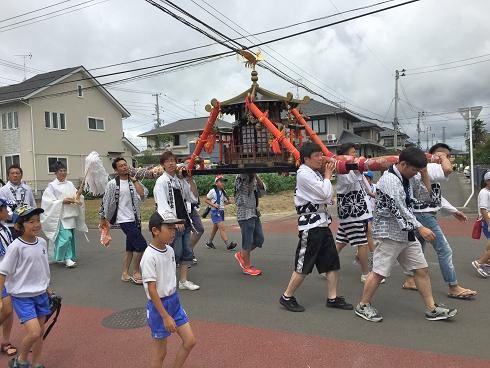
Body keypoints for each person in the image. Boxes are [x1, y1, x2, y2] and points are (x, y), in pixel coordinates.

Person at [355, 146, 458, 322]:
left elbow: (426, 197)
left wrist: (424, 173)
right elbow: (399, 209)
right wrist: (421, 228)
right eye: (415, 169)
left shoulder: (412, 176)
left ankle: (431, 308)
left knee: (421, 269)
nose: (416, 173)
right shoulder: (389, 180)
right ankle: (363, 305)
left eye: (419, 170)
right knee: (379, 272)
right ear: (402, 163)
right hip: (389, 233)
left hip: (406, 232)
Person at [279, 142, 353, 312]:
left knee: (332, 263)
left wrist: (326, 173)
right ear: (306, 159)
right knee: (304, 264)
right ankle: (287, 296)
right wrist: (327, 175)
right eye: (317, 156)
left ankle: (332, 298)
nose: (321, 158)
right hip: (311, 226)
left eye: (321, 154)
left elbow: (326, 197)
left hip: (321, 223)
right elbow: (325, 193)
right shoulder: (304, 174)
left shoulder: (313, 172)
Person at [402, 143, 477, 299]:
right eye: (447, 156)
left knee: (418, 248)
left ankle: (410, 279)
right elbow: (448, 169)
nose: (448, 159)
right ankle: (453, 286)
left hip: (419, 214)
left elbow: (435, 197)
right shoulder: (430, 166)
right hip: (424, 216)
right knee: (444, 250)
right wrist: (442, 156)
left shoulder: (425, 169)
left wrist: (454, 210)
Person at [141, 212, 196, 368]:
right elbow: (152, 290)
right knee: (160, 353)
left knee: (190, 341)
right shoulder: (149, 256)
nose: (174, 231)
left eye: (174, 228)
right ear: (155, 230)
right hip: (159, 307)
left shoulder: (170, 251)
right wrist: (165, 316)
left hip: (174, 302)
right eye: (169, 228)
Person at [0, 205, 51, 368]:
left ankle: (36, 363)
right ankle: (21, 360)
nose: (36, 224)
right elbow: (3, 272)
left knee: (40, 333)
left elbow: (42, 268)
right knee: (34, 332)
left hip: (41, 294)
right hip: (23, 297)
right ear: (19, 226)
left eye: (38, 220)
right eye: (30, 221)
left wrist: (47, 287)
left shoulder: (42, 242)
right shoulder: (16, 247)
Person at [154, 152, 199, 291]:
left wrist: (189, 179)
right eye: (167, 161)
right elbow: (162, 206)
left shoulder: (179, 181)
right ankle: (167, 281)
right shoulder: (161, 182)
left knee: (187, 252)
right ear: (163, 165)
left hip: (184, 221)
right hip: (173, 224)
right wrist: (173, 222)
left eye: (173, 160)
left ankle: (183, 280)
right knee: (174, 253)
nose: (171, 163)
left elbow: (192, 198)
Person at [99, 157, 147, 284]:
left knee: (130, 248)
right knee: (141, 245)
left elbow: (143, 195)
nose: (124, 167)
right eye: (121, 166)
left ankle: (125, 273)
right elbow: (105, 201)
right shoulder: (112, 184)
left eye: (125, 165)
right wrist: (102, 218)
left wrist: (135, 181)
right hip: (124, 219)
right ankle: (136, 272)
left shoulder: (133, 181)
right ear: (116, 169)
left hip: (136, 218)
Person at [335, 143, 372, 283]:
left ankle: (327, 267)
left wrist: (371, 193)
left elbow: (362, 180)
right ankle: (365, 274)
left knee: (340, 242)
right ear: (344, 155)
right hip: (352, 212)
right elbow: (351, 179)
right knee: (362, 242)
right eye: (352, 153)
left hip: (355, 210)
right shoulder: (341, 168)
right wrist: (359, 168)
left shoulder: (353, 167)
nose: (355, 155)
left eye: (356, 152)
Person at [41, 161, 88, 267]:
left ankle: (69, 257)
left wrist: (78, 195)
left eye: (64, 170)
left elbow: (76, 197)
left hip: (70, 214)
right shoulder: (52, 186)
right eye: (60, 171)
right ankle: (66, 258)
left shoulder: (70, 184)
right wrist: (62, 201)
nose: (63, 173)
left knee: (70, 238)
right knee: (65, 237)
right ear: (56, 173)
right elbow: (48, 202)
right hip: (60, 216)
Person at [233, 173, 265, 276]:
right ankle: (247, 267)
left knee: (259, 239)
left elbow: (262, 192)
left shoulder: (254, 176)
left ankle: (241, 255)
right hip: (244, 212)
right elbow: (243, 188)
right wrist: (251, 175)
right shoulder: (241, 176)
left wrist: (256, 176)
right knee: (248, 241)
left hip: (254, 211)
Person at [0, 164, 36, 239]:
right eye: (12, 173)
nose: (15, 175)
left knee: (27, 248)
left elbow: (33, 205)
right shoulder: (3, 190)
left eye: (17, 173)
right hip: (10, 226)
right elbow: (2, 210)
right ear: (8, 176)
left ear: (21, 175)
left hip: (26, 225)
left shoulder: (27, 189)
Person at [0, 198, 16, 358]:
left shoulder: (4, 228)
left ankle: (5, 341)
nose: (8, 211)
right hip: (1, 276)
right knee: (7, 309)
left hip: (9, 275)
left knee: (8, 311)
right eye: (5, 209)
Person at [204, 176, 237, 250]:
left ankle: (209, 242)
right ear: (216, 183)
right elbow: (206, 200)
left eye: (223, 181)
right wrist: (214, 205)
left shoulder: (223, 192)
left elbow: (226, 202)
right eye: (221, 181)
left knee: (215, 228)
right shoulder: (212, 191)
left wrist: (233, 201)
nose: (223, 183)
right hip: (215, 212)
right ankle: (228, 245)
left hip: (221, 211)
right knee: (222, 228)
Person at [473, 171, 490, 278]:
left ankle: (486, 264)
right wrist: (489, 224)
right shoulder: (484, 193)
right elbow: (483, 210)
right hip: (487, 220)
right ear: (487, 181)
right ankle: (480, 263)